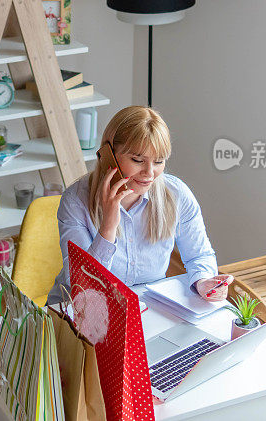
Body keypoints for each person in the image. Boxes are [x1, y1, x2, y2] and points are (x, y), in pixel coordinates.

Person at [46, 106, 232, 305]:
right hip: (75, 310)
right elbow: (83, 288)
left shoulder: (177, 195)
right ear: (108, 154)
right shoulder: (75, 200)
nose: (149, 173)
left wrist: (203, 281)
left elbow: (200, 255)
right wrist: (108, 226)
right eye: (138, 160)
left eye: (159, 161)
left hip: (144, 312)